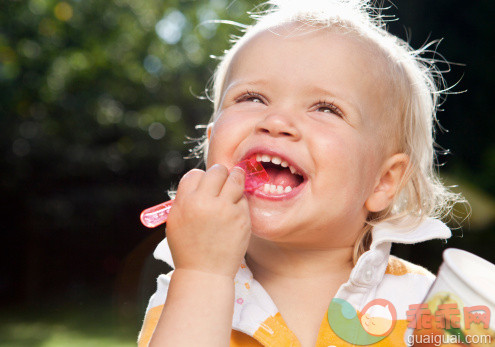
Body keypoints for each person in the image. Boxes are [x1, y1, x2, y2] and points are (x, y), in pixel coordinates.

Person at [138, 0, 463, 346]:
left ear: (383, 181)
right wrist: (203, 274)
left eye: (325, 108)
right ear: (211, 142)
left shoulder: (430, 309)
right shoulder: (186, 296)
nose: (276, 122)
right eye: (252, 98)